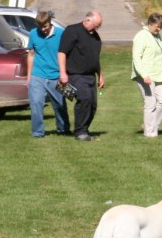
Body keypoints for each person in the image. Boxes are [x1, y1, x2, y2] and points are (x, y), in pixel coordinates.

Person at [58, 10, 105, 141]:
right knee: (85, 99)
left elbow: (95, 58)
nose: (97, 28)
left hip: (91, 75)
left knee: (92, 104)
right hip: (75, 74)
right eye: (96, 25)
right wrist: (62, 73)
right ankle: (80, 132)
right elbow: (62, 52)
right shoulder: (72, 31)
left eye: (99, 26)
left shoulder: (95, 37)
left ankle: (84, 129)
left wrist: (100, 75)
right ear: (88, 20)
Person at [25, 10, 70, 138]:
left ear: (50, 22)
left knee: (60, 105)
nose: (43, 29)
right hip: (37, 75)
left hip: (56, 76)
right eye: (40, 27)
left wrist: (65, 73)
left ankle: (63, 129)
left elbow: (66, 54)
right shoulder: (33, 34)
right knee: (36, 104)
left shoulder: (61, 33)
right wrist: (29, 77)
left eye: (45, 26)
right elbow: (31, 55)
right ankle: (38, 132)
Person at [131, 12, 162, 138]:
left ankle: (150, 125)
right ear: (150, 23)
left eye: (161, 26)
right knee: (150, 103)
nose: (159, 29)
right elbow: (136, 57)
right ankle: (150, 133)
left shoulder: (157, 36)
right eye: (157, 26)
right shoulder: (141, 36)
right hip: (145, 75)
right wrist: (144, 75)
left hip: (158, 74)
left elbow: (159, 55)